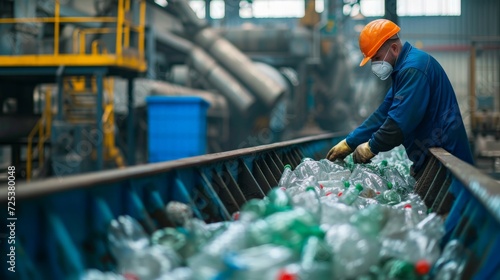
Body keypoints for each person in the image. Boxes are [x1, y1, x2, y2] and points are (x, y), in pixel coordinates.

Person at [326, 19, 474, 177]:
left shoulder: (413, 69)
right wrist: (350, 142)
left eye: (376, 58)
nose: (375, 64)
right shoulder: (402, 71)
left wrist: (371, 147)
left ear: (394, 48)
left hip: (447, 160)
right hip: (433, 157)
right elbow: (382, 114)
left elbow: (399, 124)